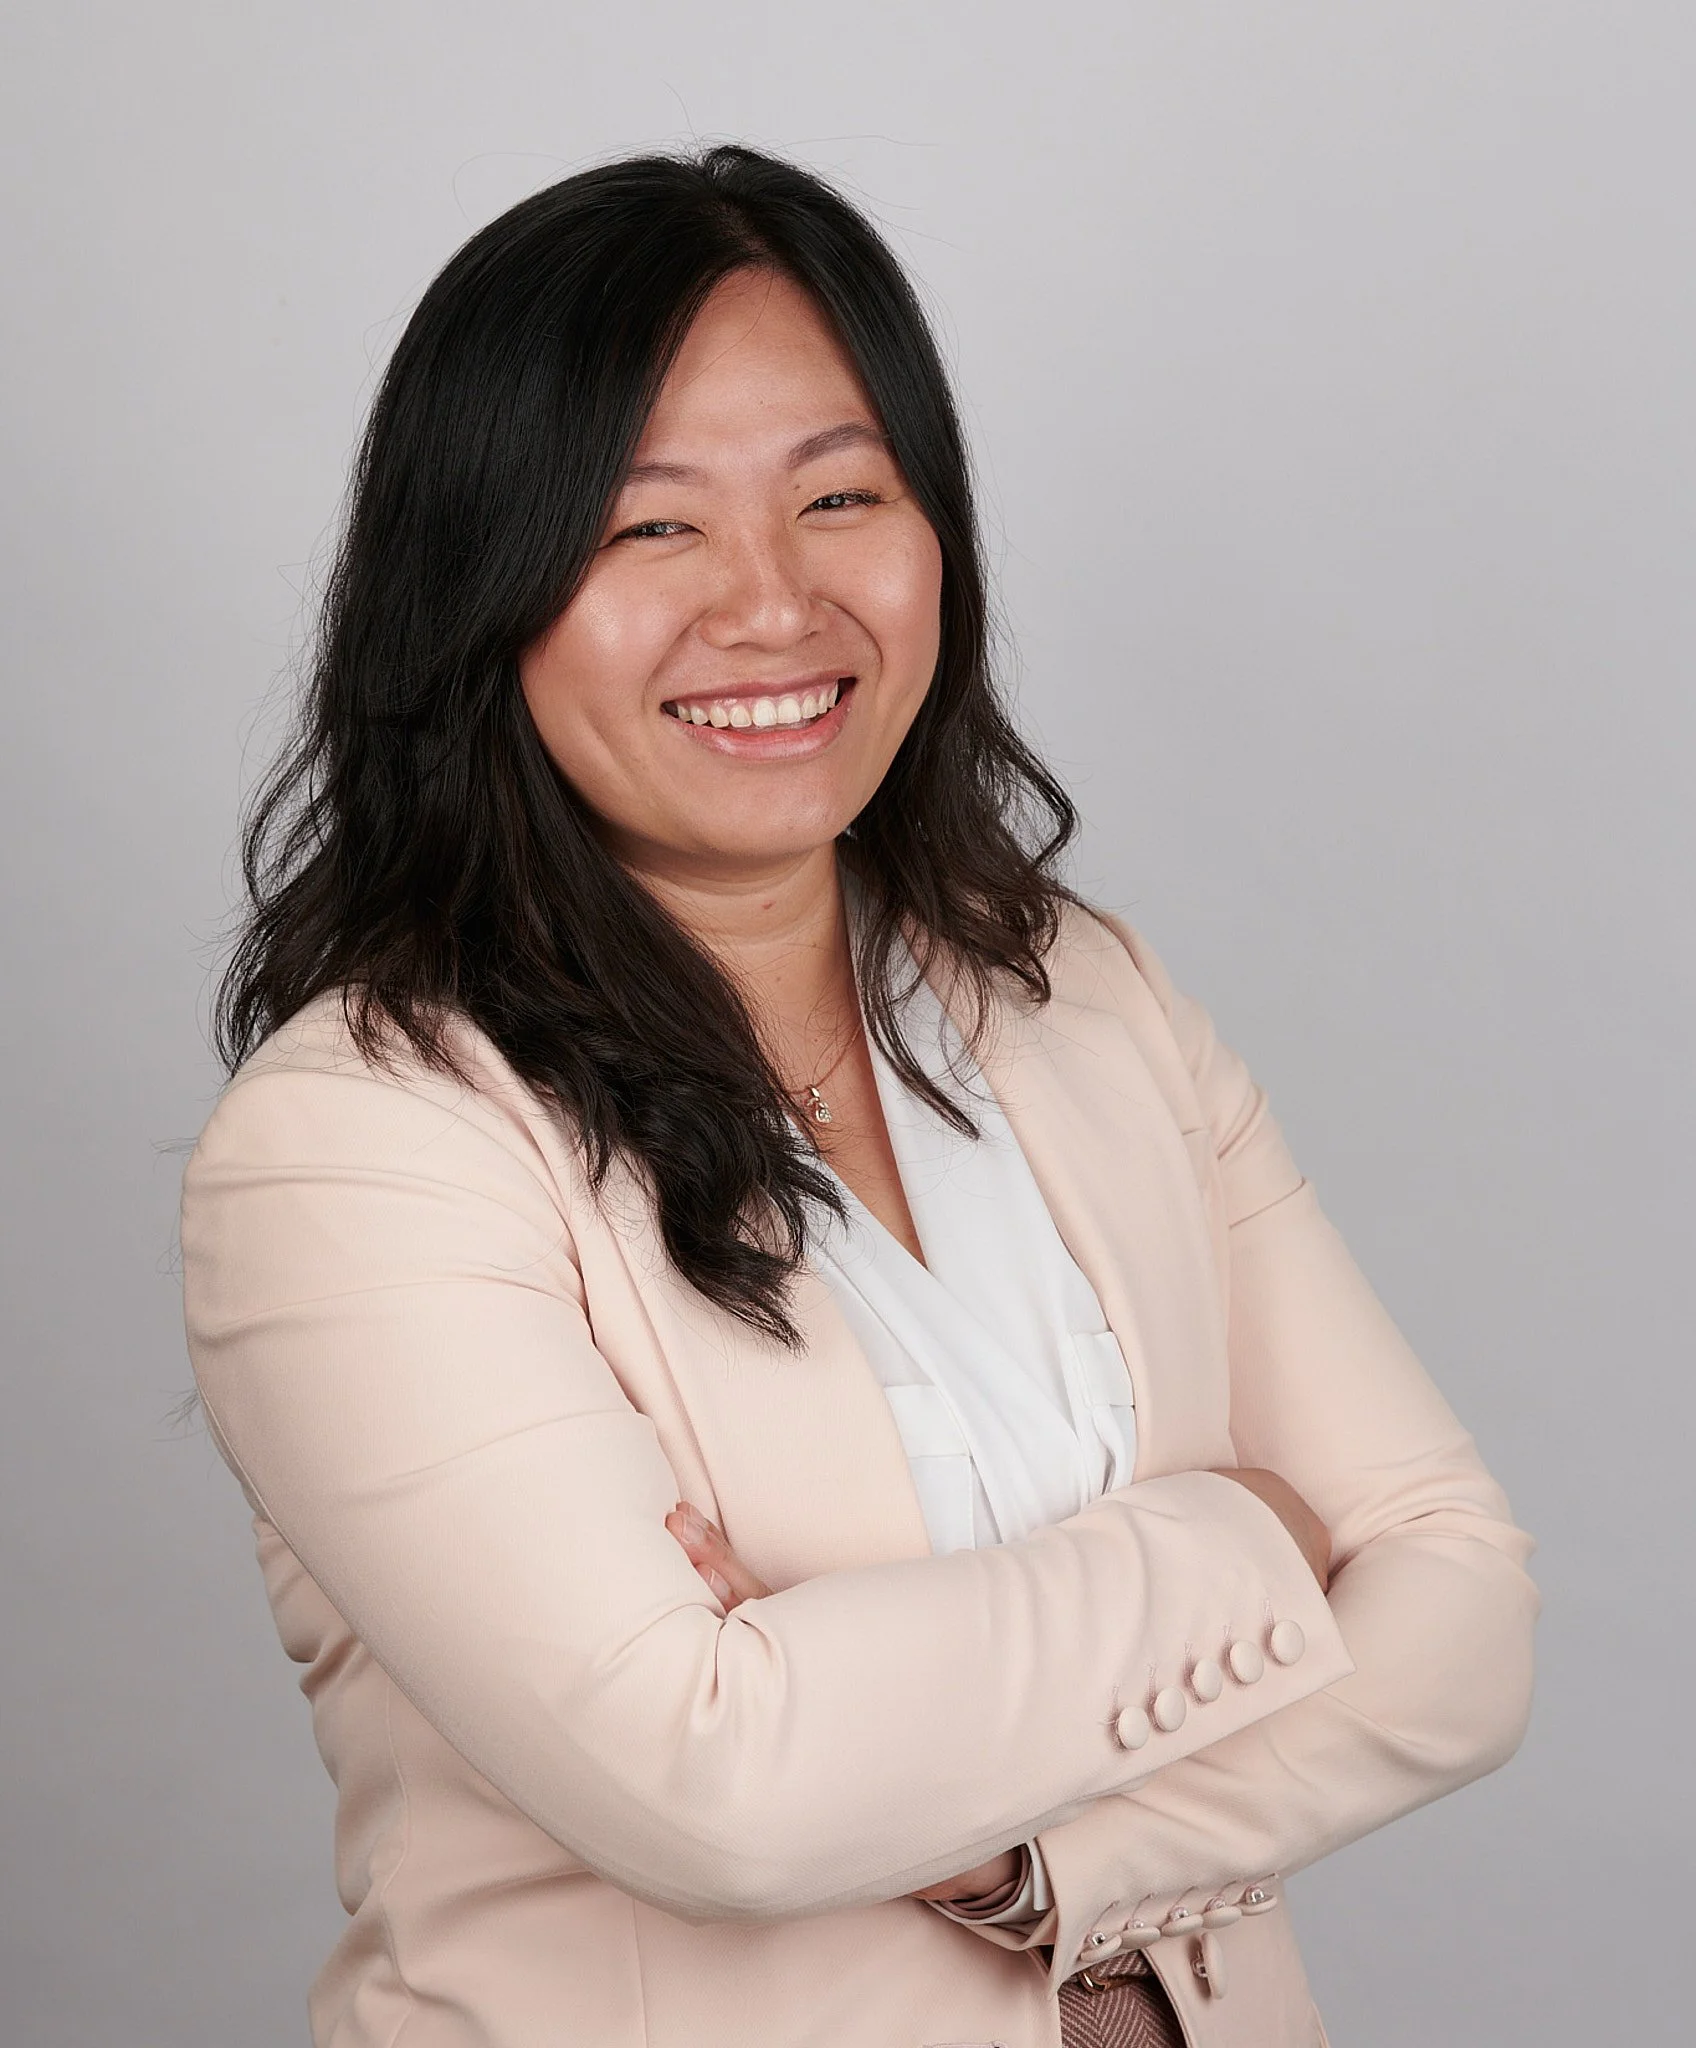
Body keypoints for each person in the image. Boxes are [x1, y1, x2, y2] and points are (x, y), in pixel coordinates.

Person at [179, 143, 1539, 2048]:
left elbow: (1466, 1618)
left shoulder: (1079, 995)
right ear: (480, 585)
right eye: (652, 528)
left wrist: (1030, 1861)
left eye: (842, 494)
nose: (773, 602)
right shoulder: (363, 1146)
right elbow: (720, 1788)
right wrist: (1248, 1539)